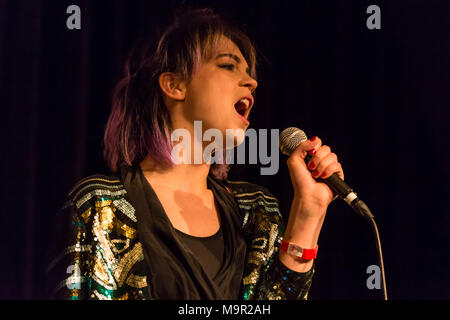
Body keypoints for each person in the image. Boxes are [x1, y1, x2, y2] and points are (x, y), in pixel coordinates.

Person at [46, 7, 344, 300]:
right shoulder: (98, 206)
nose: (252, 82)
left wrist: (309, 211)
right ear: (174, 84)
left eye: (248, 72)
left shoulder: (258, 214)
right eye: (228, 65)